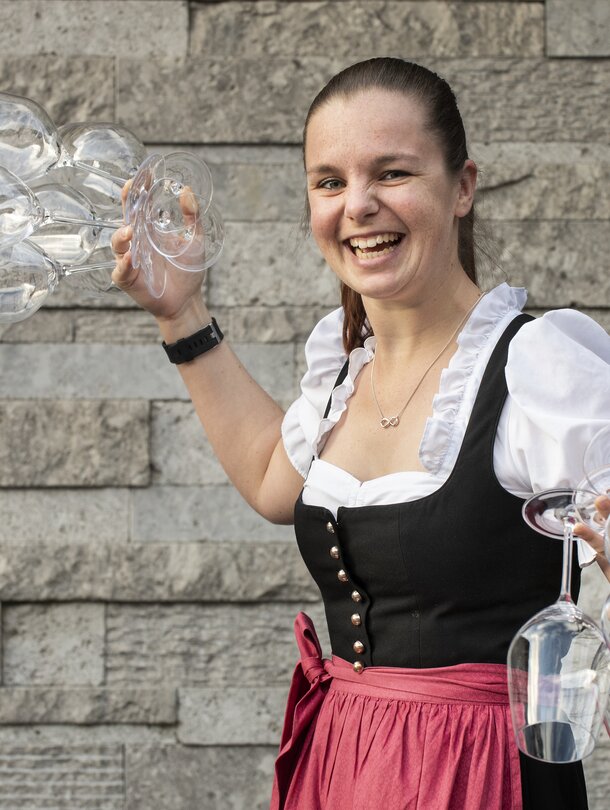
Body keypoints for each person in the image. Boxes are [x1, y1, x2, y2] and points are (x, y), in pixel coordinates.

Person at [112, 58, 610, 810]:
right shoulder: (343, 368)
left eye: (393, 173)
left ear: (463, 186)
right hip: (340, 762)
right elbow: (270, 479)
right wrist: (179, 315)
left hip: (481, 777)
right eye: (331, 182)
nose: (360, 206)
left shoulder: (542, 367)